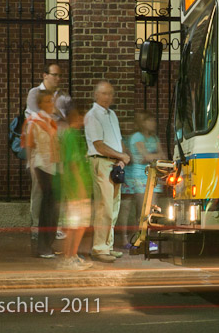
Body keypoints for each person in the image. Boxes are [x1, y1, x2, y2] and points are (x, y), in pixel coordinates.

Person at [84, 81, 131, 263]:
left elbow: (117, 139)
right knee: (104, 207)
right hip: (101, 162)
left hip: (114, 163)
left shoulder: (112, 114)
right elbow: (98, 145)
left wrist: (121, 158)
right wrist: (121, 155)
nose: (108, 97)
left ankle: (108, 246)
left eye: (110, 93)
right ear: (96, 95)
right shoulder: (92, 115)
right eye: (104, 93)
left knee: (114, 206)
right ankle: (99, 248)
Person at [25, 63, 71, 244]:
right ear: (45, 75)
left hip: (59, 148)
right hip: (41, 148)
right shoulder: (34, 93)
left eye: (60, 75)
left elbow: (67, 121)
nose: (58, 78)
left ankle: (57, 226)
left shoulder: (63, 96)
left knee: (59, 189)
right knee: (39, 190)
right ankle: (36, 227)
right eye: (54, 75)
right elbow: (35, 118)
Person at [23, 90, 60, 259]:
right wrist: (31, 165)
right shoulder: (35, 121)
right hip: (41, 165)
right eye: (48, 101)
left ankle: (48, 245)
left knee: (53, 207)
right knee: (47, 206)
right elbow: (30, 144)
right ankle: (43, 246)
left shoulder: (51, 121)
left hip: (52, 166)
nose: (52, 103)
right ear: (40, 104)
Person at [57, 102, 94, 271]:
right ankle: (68, 257)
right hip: (76, 187)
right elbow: (72, 164)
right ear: (77, 117)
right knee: (75, 225)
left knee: (78, 225)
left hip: (77, 186)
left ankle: (72, 256)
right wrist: (79, 187)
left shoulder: (73, 135)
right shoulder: (71, 135)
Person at [128, 111, 165, 244]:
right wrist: (155, 156)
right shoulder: (137, 137)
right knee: (143, 209)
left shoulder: (154, 138)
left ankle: (148, 238)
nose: (153, 124)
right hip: (140, 177)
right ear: (143, 123)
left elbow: (163, 156)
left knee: (153, 209)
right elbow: (145, 156)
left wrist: (153, 157)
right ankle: (139, 238)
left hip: (153, 176)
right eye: (150, 121)